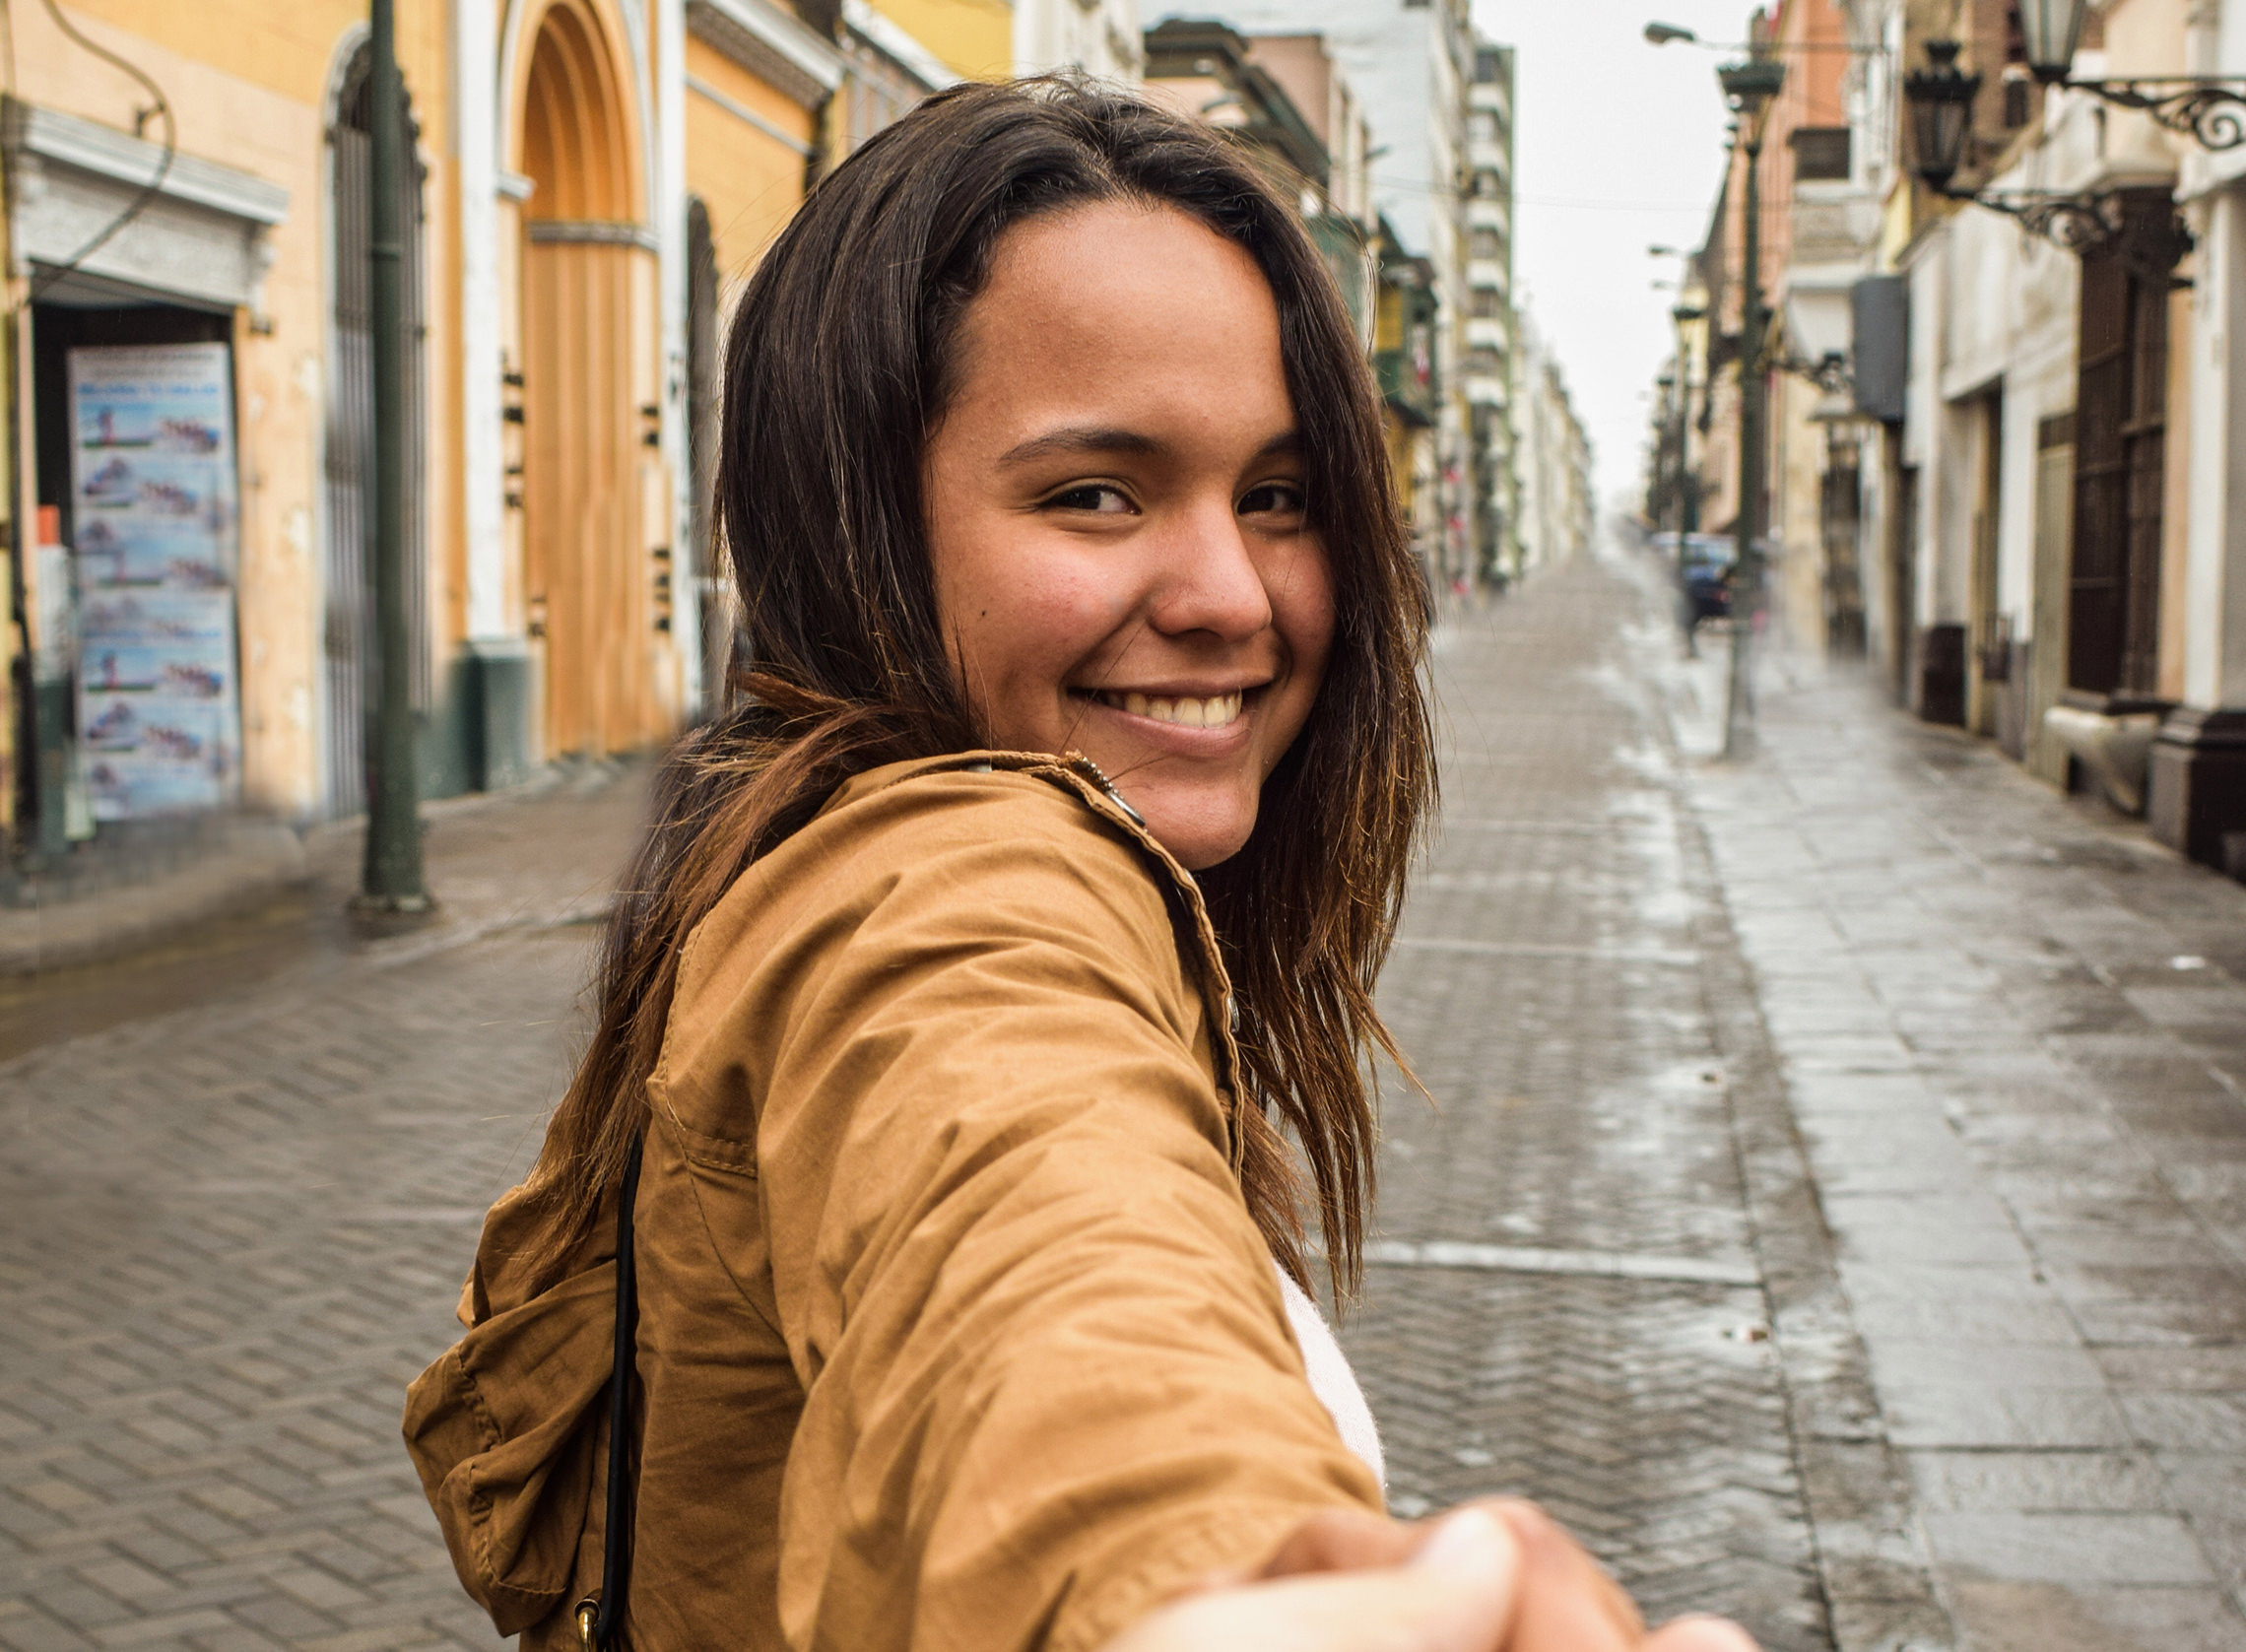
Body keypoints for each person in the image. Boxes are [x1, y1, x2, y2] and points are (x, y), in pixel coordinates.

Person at [404, 79, 1757, 1652]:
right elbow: (1037, 1238)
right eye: (1095, 494)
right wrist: (1200, 1588)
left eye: (1278, 496)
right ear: (854, 525)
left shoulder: (781, 842)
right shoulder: (938, 882)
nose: (1228, 592)